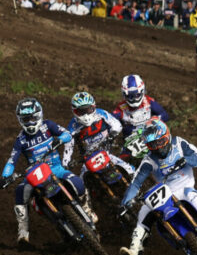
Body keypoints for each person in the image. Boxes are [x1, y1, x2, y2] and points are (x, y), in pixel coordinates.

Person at [118, 119, 197, 255]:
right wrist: (125, 203)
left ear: (167, 136)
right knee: (144, 211)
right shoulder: (149, 160)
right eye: (153, 145)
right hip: (166, 192)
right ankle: (135, 252)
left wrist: (185, 160)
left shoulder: (179, 144)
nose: (158, 148)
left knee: (196, 199)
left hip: (184, 188)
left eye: (159, 142)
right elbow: (136, 183)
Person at [2, 99, 89, 244]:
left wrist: (59, 139)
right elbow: (11, 161)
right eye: (26, 119)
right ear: (20, 120)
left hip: (56, 169)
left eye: (33, 118)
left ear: (39, 115)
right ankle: (23, 232)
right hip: (35, 174)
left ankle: (87, 209)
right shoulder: (21, 140)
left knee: (78, 183)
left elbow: (67, 134)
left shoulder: (48, 126)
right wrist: (5, 177)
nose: (30, 123)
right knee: (19, 191)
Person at [68, 92, 135, 208]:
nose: (85, 114)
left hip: (106, 154)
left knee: (130, 170)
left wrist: (112, 135)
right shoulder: (73, 127)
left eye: (88, 110)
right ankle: (88, 213)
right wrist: (67, 162)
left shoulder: (101, 114)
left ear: (93, 107)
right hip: (88, 161)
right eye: (81, 111)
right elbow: (68, 146)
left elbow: (117, 125)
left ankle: (138, 191)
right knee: (82, 187)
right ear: (75, 111)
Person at [112, 75, 170, 140]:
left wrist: (153, 121)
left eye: (137, 95)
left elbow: (165, 115)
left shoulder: (147, 101)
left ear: (142, 91)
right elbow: (110, 121)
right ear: (124, 95)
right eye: (130, 96)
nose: (134, 99)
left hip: (149, 139)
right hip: (131, 143)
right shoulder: (121, 108)